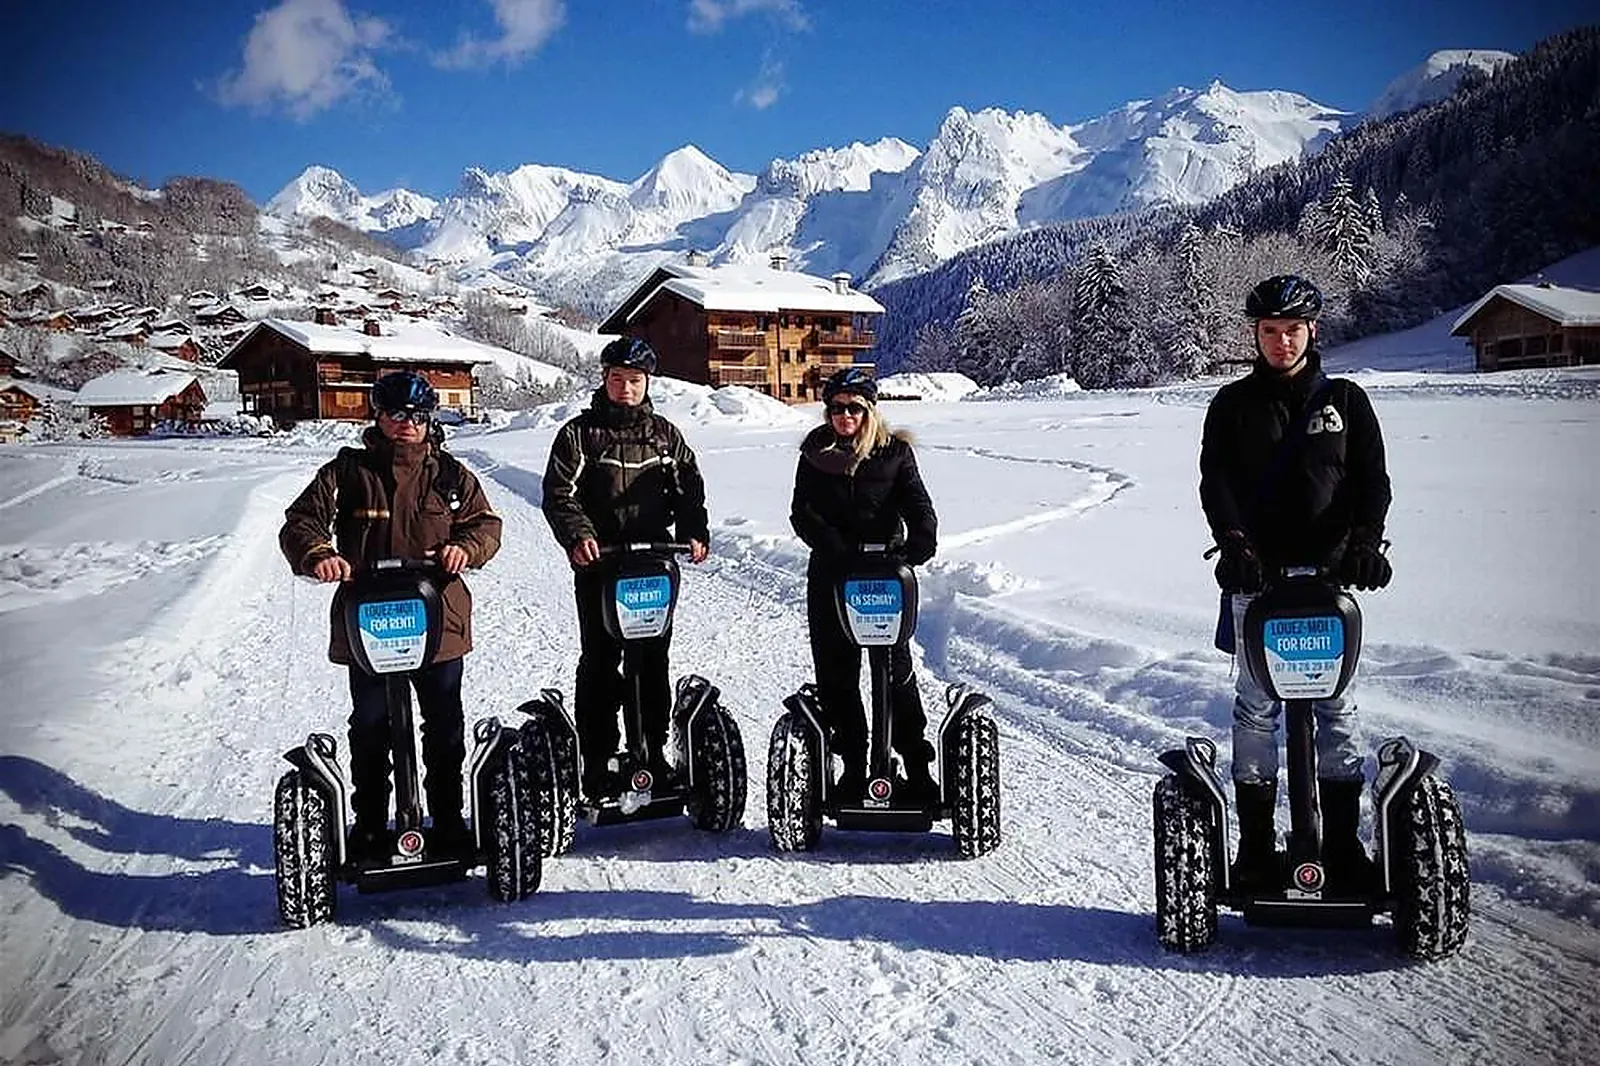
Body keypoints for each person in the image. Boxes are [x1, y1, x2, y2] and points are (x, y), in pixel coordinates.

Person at [1199, 274, 1393, 893]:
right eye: (1269, 331)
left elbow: (1371, 480)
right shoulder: (1231, 405)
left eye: (1292, 330)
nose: (1281, 341)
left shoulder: (1346, 400)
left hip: (1331, 578)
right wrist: (1233, 544)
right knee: (1256, 707)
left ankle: (1340, 843)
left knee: (1336, 706)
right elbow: (1216, 483)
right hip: (1257, 576)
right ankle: (1255, 846)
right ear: (1255, 335)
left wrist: (1366, 542)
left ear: (1312, 331)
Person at [279, 370, 502, 860]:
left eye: (417, 416)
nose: (406, 425)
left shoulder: (449, 475)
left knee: (443, 723)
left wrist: (466, 547)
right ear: (378, 417)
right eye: (396, 414)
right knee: (372, 723)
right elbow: (301, 521)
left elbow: (485, 525)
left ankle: (446, 818)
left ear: (429, 421)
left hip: (439, 618)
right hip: (369, 622)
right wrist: (318, 554)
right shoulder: (347, 473)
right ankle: (373, 825)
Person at [541, 336, 710, 801]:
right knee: (600, 661)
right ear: (605, 379)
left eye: (635, 380)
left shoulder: (664, 435)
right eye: (618, 379)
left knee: (652, 660)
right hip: (601, 563)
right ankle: (597, 759)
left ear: (647, 382)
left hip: (653, 564)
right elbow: (560, 494)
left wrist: (695, 530)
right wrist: (579, 536)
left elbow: (688, 489)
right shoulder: (579, 434)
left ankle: (650, 753)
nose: (626, 388)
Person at [790, 366, 939, 804]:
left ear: (869, 410)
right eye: (836, 409)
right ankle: (854, 766)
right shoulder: (815, 453)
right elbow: (803, 512)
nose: (844, 416)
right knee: (837, 674)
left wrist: (921, 542)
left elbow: (918, 503)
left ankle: (915, 765)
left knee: (895, 671)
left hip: (883, 574)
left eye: (854, 408)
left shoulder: (894, 453)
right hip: (833, 572)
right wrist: (834, 545)